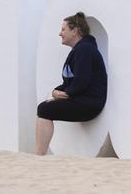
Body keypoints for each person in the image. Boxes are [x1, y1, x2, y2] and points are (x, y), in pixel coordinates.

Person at [35, 12, 107, 155]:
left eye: (63, 29)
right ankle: (39, 154)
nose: (60, 34)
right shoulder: (79, 50)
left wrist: (67, 94)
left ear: (75, 31)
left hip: (89, 104)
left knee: (44, 109)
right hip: (81, 100)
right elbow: (70, 81)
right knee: (44, 108)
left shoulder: (85, 49)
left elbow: (81, 82)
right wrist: (56, 91)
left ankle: (39, 155)